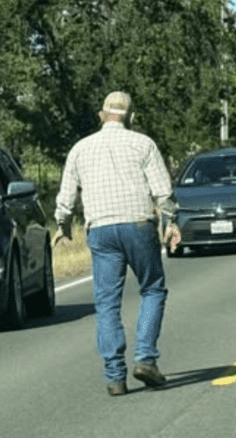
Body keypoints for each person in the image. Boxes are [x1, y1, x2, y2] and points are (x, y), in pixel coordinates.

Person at [53, 91, 181, 397]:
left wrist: (63, 224)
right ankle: (145, 358)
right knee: (152, 288)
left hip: (101, 230)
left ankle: (115, 377)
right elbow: (163, 192)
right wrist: (171, 222)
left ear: (101, 115)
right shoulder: (143, 143)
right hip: (137, 224)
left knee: (107, 302)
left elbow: (67, 194)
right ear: (132, 118)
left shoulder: (80, 148)